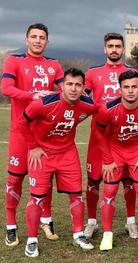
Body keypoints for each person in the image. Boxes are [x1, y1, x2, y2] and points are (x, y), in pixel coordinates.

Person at [18, 68, 96, 257]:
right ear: (62, 85)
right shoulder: (43, 103)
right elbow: (22, 122)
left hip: (68, 153)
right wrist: (33, 147)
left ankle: (78, 234)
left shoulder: (88, 105)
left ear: (84, 88)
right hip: (42, 154)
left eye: (78, 85)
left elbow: (103, 113)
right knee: (36, 197)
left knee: (76, 195)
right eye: (69, 84)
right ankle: (31, 240)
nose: (73, 89)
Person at [1, 23, 64, 246]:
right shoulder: (14, 60)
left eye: (42, 37)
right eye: (34, 37)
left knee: (44, 182)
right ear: (27, 39)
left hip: (44, 136)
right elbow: (6, 88)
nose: (38, 40)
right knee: (15, 180)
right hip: (20, 133)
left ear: (48, 42)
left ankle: (46, 220)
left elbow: (64, 91)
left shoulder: (54, 64)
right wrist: (33, 95)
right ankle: (11, 225)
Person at [94, 70, 138, 251]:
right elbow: (99, 132)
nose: (130, 91)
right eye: (126, 87)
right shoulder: (108, 108)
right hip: (115, 152)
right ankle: (108, 234)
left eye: (134, 87)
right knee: (109, 190)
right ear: (120, 89)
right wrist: (107, 160)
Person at [84, 33, 138, 239]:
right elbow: (83, 99)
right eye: (110, 46)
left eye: (118, 46)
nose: (114, 49)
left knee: (128, 181)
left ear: (123, 49)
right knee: (93, 180)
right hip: (98, 137)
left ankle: (131, 222)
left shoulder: (132, 73)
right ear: (104, 49)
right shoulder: (92, 73)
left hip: (124, 137)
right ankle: (91, 222)